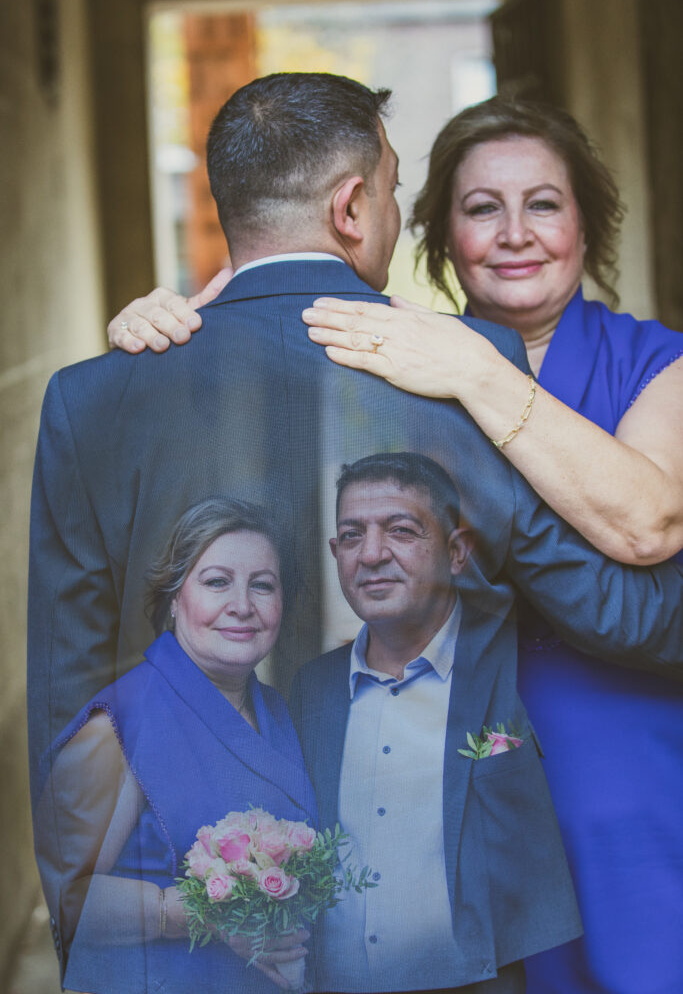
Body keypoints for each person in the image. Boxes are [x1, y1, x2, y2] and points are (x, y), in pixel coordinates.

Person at [30, 74, 683, 994]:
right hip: (425, 935)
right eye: (389, 184)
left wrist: (85, 927)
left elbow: (68, 689)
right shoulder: (456, 370)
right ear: (350, 206)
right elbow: (635, 614)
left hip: (181, 949)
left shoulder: (93, 393)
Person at [290, 452, 565, 994]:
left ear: (457, 551)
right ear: (334, 553)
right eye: (351, 535)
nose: (371, 554)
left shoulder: (510, 661)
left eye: (401, 529)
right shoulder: (310, 689)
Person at [36, 497, 317, 994]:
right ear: (172, 596)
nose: (242, 605)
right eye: (216, 582)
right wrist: (192, 913)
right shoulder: (123, 719)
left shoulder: (276, 711)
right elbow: (54, 893)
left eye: (263, 585)